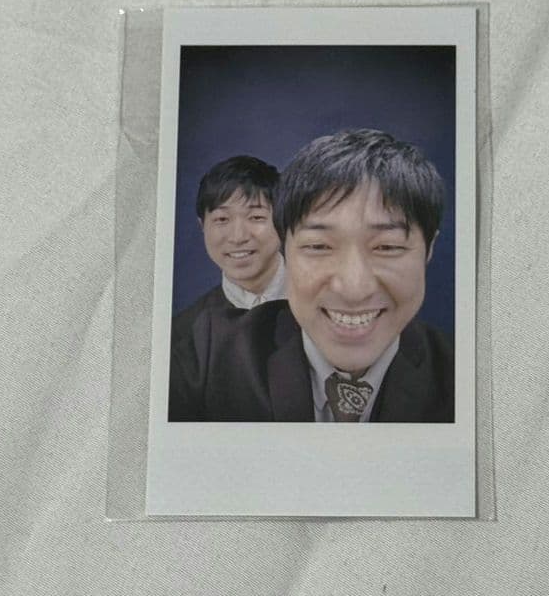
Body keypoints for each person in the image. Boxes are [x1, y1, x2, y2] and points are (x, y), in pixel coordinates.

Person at [169, 130, 453, 422]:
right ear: (284, 247)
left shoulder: (464, 376)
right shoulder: (205, 356)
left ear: (428, 249)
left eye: (387, 247)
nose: (353, 289)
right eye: (318, 246)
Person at [168, 155, 284, 420]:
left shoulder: (328, 307)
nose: (238, 236)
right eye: (221, 219)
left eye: (256, 217)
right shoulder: (184, 336)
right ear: (202, 227)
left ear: (282, 220)